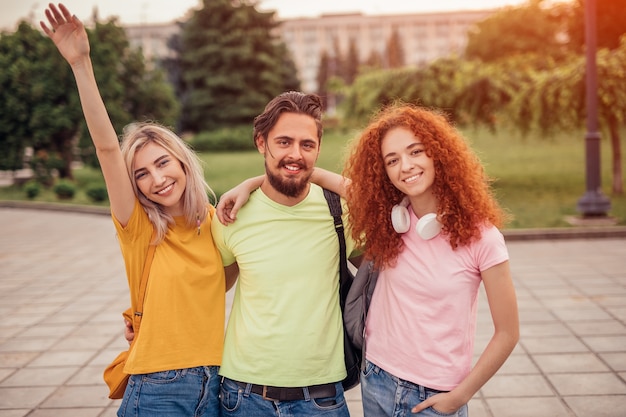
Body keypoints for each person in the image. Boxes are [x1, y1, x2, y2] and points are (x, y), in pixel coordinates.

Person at [41, 4, 232, 416]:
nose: (157, 178)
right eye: (142, 173)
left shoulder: (213, 223)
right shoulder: (140, 227)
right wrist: (80, 63)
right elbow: (108, 149)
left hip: (218, 384)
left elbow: (231, 277)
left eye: (163, 163)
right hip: (159, 388)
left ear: (182, 162)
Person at [341, 103, 519, 416]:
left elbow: (508, 332)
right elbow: (345, 187)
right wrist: (253, 184)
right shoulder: (392, 221)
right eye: (392, 160)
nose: (405, 166)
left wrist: (459, 396)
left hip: (434, 399)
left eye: (416, 151)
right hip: (377, 380)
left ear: (438, 153)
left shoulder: (483, 237)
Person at [211, 91, 361, 417]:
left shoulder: (340, 212)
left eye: (307, 145)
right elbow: (209, 289)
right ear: (261, 143)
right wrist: (143, 315)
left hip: (322, 397)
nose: (295, 153)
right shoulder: (230, 216)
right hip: (242, 395)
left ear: (319, 149)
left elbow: (385, 270)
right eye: (283, 142)